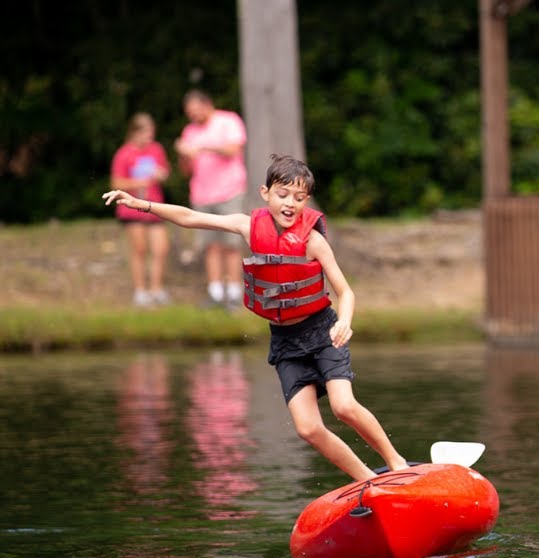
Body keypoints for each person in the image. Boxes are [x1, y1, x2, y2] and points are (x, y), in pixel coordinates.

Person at [103, 154, 409, 482]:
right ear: (265, 193)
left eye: (299, 198)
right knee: (307, 429)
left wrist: (344, 321)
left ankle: (396, 462)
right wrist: (143, 204)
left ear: (306, 200)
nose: (290, 203)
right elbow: (191, 217)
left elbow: (345, 291)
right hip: (286, 342)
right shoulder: (248, 226)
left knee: (343, 407)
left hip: (322, 331)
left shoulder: (313, 241)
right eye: (282, 194)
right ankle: (366, 479)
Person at [176, 89, 248, 308]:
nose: (193, 115)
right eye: (189, 112)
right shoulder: (189, 131)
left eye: (196, 110)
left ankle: (235, 293)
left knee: (232, 244)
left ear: (207, 104)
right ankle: (215, 292)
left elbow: (233, 150)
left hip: (230, 191)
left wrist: (203, 146)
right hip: (202, 193)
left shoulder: (228, 121)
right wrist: (183, 155)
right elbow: (185, 170)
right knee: (210, 246)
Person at [110, 113, 171, 306]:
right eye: (146, 133)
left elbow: (164, 172)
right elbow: (116, 182)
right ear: (135, 132)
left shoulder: (156, 149)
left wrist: (161, 175)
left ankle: (156, 289)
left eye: (152, 132)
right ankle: (140, 291)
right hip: (131, 209)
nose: (149, 137)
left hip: (154, 206)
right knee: (140, 249)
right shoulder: (124, 153)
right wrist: (139, 181)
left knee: (161, 248)